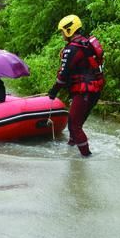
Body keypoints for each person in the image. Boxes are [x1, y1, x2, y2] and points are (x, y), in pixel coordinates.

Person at [48, 14, 105, 157]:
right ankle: (71, 150)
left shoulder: (72, 49)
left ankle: (86, 157)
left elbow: (63, 75)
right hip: (94, 90)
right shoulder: (86, 44)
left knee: (74, 125)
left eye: (62, 31)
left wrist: (53, 92)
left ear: (69, 30)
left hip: (84, 91)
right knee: (74, 123)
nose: (62, 34)